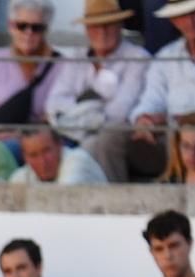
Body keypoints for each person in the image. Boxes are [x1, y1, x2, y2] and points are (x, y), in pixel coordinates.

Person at [43, 0, 149, 183]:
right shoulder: (76, 57)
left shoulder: (138, 58)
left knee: (94, 144)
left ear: (119, 26)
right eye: (95, 26)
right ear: (87, 29)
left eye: (108, 25)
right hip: (71, 131)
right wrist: (91, 108)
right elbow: (53, 103)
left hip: (116, 134)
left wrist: (75, 111)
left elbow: (120, 111)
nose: (102, 32)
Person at [130, 0, 195, 179]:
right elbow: (151, 99)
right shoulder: (165, 56)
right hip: (173, 135)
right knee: (138, 141)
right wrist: (145, 119)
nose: (191, 22)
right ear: (174, 21)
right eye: (183, 16)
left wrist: (181, 120)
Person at [0, 0, 69, 132]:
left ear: (45, 30)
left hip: (36, 142)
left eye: (36, 28)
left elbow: (57, 116)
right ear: (10, 26)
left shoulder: (62, 66)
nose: (28, 33)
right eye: (22, 26)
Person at [10, 123, 108, 183]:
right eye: (33, 155)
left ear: (59, 145)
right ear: (25, 157)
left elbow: (62, 203)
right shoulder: (21, 177)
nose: (42, 162)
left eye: (46, 151)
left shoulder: (78, 161)